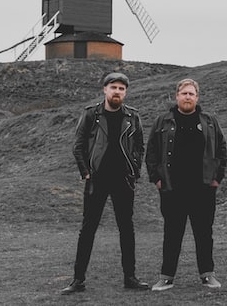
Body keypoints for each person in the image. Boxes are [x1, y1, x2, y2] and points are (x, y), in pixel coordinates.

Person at [62, 72, 148, 294]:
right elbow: (78, 145)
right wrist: (85, 172)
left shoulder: (133, 116)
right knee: (88, 229)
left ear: (125, 92)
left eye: (121, 88)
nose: (117, 92)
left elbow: (140, 146)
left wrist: (135, 171)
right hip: (96, 179)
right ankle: (78, 280)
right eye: (113, 87)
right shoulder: (91, 114)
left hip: (123, 180)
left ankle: (130, 278)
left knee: (126, 229)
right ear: (105, 89)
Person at [145, 78, 227, 291]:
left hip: (203, 188)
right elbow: (151, 151)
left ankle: (207, 275)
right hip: (173, 188)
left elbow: (221, 149)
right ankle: (166, 277)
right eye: (184, 93)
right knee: (172, 233)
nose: (187, 97)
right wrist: (156, 178)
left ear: (197, 97)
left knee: (204, 233)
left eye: (191, 93)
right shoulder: (163, 121)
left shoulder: (209, 121)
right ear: (177, 96)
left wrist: (217, 178)